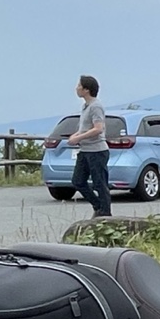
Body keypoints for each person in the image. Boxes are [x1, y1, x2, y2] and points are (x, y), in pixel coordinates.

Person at [65, 74, 111, 217]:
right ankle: (98, 206)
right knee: (78, 181)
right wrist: (75, 135)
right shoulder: (86, 106)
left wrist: (79, 137)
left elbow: (98, 129)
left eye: (79, 86)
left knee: (100, 183)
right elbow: (85, 127)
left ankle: (105, 212)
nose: (76, 88)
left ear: (86, 89)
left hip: (97, 151)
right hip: (85, 150)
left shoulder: (96, 106)